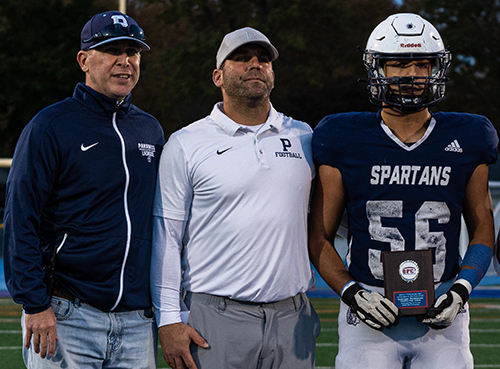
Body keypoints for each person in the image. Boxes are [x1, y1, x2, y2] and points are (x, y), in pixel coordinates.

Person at [308, 13, 498, 369]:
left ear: (436, 70)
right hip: (368, 307)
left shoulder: (469, 135)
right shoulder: (343, 136)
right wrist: (353, 294)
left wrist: (462, 289)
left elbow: (483, 227)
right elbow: (318, 235)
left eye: (422, 64)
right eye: (397, 63)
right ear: (377, 69)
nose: (411, 74)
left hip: (446, 305)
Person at [151, 27, 320, 369]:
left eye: (263, 60)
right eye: (241, 58)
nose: (254, 65)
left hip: (293, 314)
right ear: (218, 76)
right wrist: (168, 318)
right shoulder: (186, 143)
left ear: (273, 73)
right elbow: (167, 238)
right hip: (215, 317)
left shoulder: (304, 136)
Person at [3, 10, 165, 368]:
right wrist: (35, 303)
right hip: (67, 316)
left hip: (137, 322)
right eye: (112, 50)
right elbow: (21, 218)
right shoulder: (51, 126)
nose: (125, 62)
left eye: (133, 52)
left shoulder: (150, 130)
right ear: (84, 60)